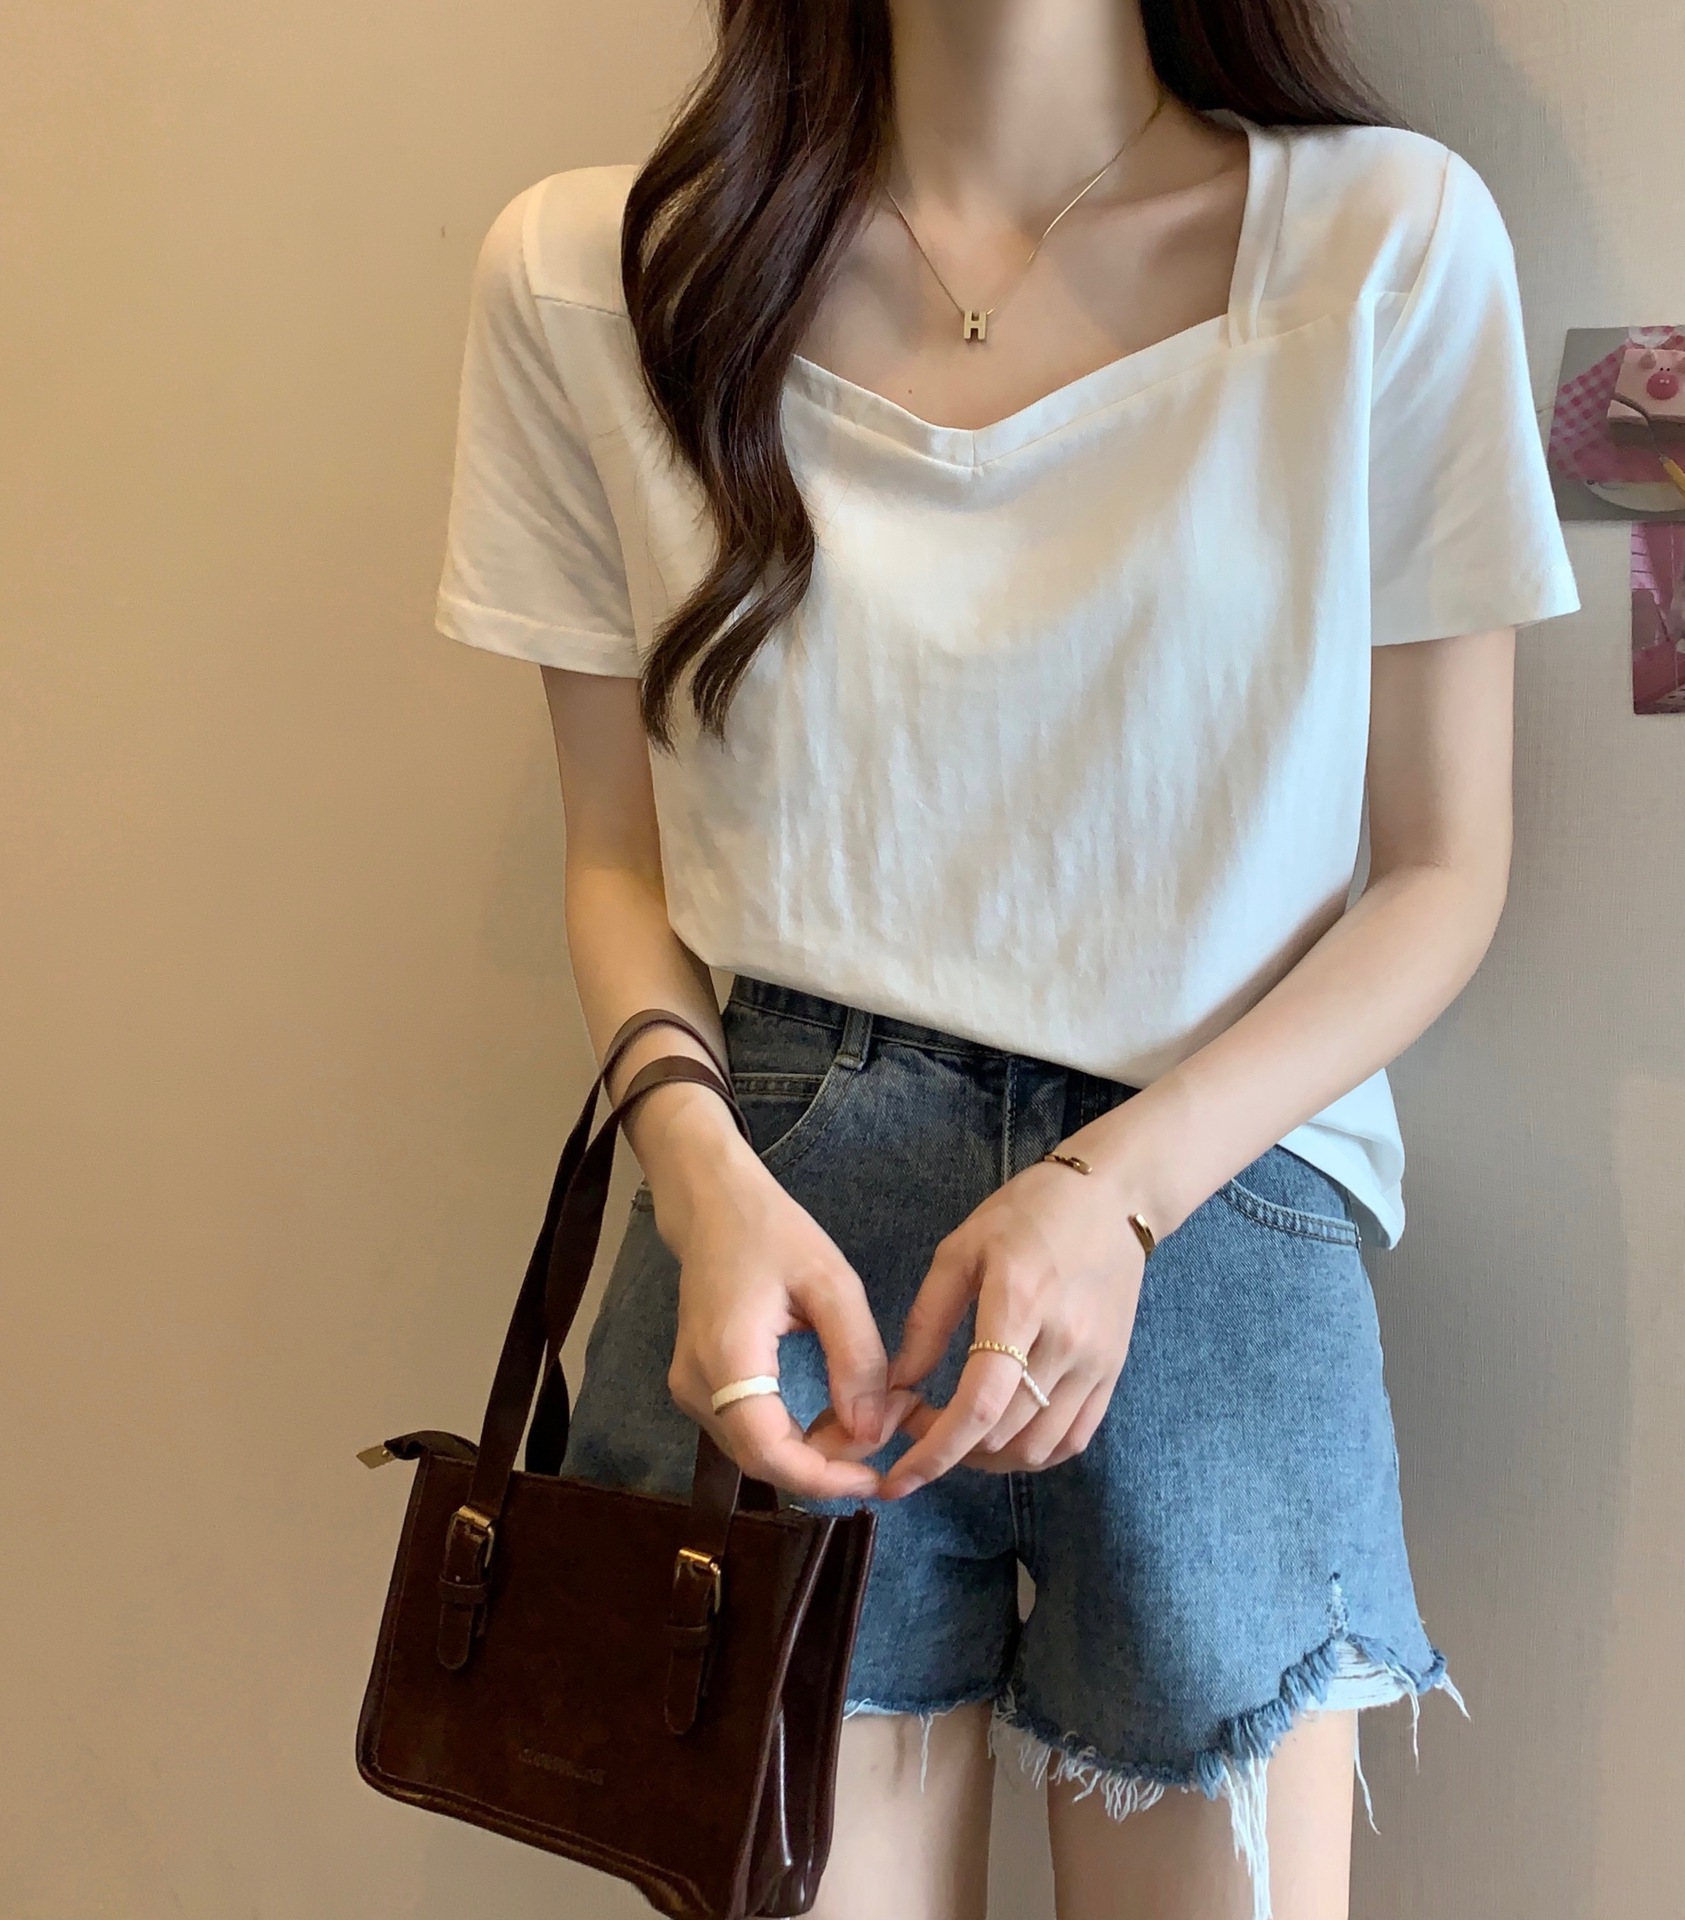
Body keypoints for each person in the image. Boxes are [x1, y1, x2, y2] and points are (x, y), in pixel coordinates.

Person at [431, 1, 1579, 1914]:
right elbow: (616, 863)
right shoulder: (595, 280)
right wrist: (700, 1185)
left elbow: (1444, 871)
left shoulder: (1384, 243)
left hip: (1212, 1209)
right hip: (775, 1241)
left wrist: (1116, 1195)